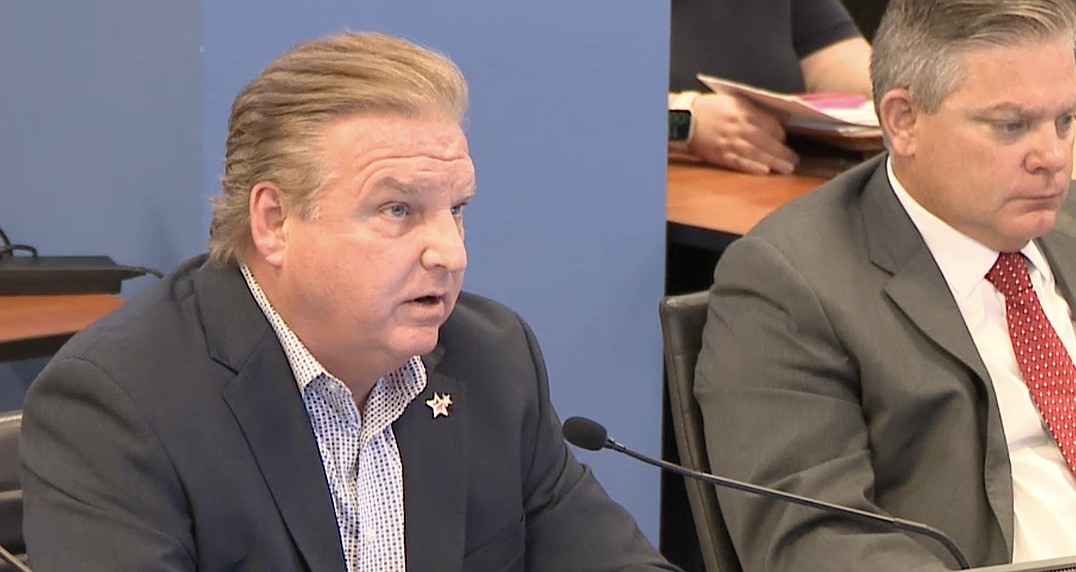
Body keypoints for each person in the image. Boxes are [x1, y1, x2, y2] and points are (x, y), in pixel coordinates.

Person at [19, 32, 678, 572]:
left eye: (456, 210)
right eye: (398, 209)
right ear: (274, 221)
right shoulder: (120, 406)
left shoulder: (492, 361)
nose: (450, 253)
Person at [695, 0, 1076, 570]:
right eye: (1012, 126)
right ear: (904, 120)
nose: (1053, 157)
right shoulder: (791, 283)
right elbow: (813, 539)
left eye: (1064, 120)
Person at [669, 0, 874, 175]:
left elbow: (833, 56)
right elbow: (638, 118)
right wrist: (688, 124)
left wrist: (896, 89)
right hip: (662, 200)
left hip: (780, 187)